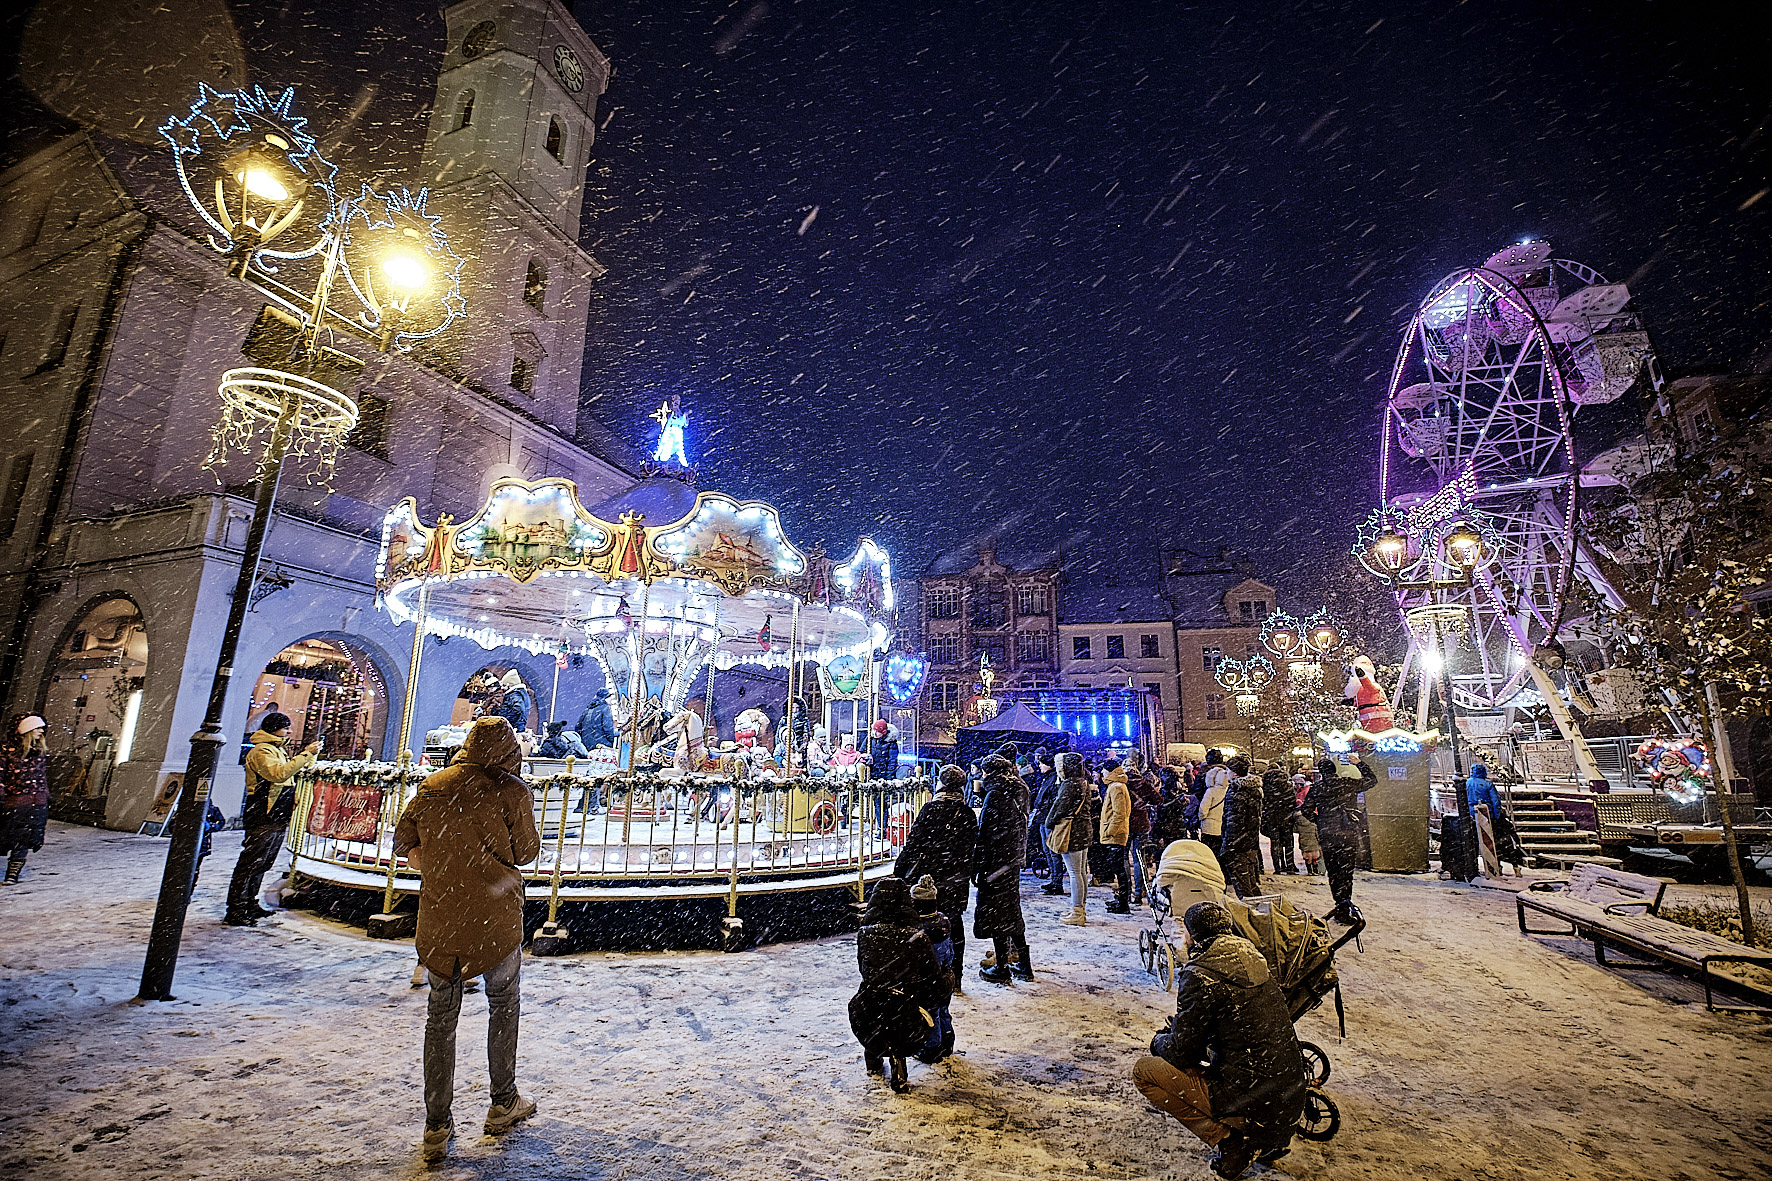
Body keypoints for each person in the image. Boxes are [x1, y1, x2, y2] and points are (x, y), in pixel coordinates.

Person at [393, 716, 542, 1162]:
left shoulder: (434, 785)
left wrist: (445, 857)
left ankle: (436, 1125)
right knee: (504, 1004)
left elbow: (406, 844)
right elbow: (527, 852)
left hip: (442, 917)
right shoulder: (512, 791)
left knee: (440, 1019)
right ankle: (503, 1100)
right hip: (495, 919)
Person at [1133, 902, 1306, 1179]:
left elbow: (1182, 1054)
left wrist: (1160, 1042)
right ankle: (1257, 1132)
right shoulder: (1254, 957)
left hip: (1251, 1097)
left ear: (1193, 935)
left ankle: (1231, 1141)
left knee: (1146, 1071)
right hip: (1287, 1093)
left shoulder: (1201, 973)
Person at [848, 877, 945, 1092]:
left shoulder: (865, 933)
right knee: (902, 1015)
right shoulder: (916, 937)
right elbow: (932, 977)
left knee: (874, 1008)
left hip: (872, 1004)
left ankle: (872, 1057)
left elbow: (864, 969)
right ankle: (899, 1061)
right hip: (907, 1006)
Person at [224, 712, 319, 926]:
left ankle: (249, 902)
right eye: (285, 727)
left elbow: (284, 779)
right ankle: (236, 908)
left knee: (263, 862)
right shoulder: (262, 751)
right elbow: (279, 774)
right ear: (273, 728)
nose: (289, 731)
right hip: (263, 813)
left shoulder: (278, 749)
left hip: (276, 814)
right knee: (251, 862)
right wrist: (305, 754)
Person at [893, 764, 977, 980]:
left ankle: (927, 973)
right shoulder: (967, 813)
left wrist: (900, 868)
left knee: (926, 923)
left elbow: (914, 842)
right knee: (954, 923)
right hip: (956, 877)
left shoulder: (931, 809)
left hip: (930, 876)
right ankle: (954, 975)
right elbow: (971, 846)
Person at [972, 754, 1032, 984]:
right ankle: (1023, 963)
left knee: (997, 914)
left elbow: (985, 833)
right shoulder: (1019, 788)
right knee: (1011, 910)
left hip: (996, 862)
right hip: (1013, 860)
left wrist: (978, 865)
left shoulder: (996, 794)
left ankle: (1001, 966)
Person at [1310, 755, 1373, 925]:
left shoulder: (1316, 788)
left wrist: (1320, 820)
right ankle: (1344, 906)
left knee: (1334, 872)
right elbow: (1371, 780)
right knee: (1346, 873)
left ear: (1322, 773)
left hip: (1327, 835)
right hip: (1347, 833)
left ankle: (1339, 904)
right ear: (1334, 770)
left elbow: (1306, 809)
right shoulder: (1347, 783)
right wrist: (1359, 764)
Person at [909, 874, 957, 1063]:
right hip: (945, 976)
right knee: (943, 1009)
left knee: (931, 1012)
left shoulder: (922, 930)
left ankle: (932, 1048)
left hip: (929, 980)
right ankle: (948, 1041)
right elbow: (950, 951)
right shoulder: (943, 922)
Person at [1045, 753, 1096, 927]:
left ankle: (1077, 912)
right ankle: (1080, 908)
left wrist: (1049, 822)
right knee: (1080, 872)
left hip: (1072, 831)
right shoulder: (1083, 782)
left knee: (1075, 873)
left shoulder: (1070, 784)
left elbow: (1058, 808)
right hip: (1083, 829)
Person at [1, 715, 50, 884]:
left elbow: (42, 777)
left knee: (24, 839)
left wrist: (45, 797)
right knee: (7, 836)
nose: (41, 731)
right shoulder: (6, 751)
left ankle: (12, 874)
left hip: (36, 803)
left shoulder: (39, 752)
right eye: (37, 728)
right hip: (14, 803)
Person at [1219, 757, 1265, 899]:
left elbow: (1234, 823)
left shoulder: (1237, 792)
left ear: (1235, 774)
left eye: (1228, 770)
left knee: (1243, 887)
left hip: (1238, 846)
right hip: (1249, 842)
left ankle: (1253, 915)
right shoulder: (1252, 789)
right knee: (1250, 883)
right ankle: (1260, 911)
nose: (1226, 773)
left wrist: (1228, 847)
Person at [1465, 762, 1523, 875]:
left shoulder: (1467, 783)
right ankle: (1512, 865)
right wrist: (1496, 816)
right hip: (1488, 815)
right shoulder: (1488, 784)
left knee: (1476, 842)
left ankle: (1483, 866)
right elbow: (1496, 801)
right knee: (1499, 842)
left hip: (1473, 815)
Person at [1100, 759, 1133, 914]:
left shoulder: (1116, 787)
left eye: (1104, 770)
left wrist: (1110, 831)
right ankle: (1121, 900)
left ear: (1110, 771)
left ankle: (1123, 903)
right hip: (1117, 833)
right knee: (1119, 869)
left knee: (1119, 869)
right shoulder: (1116, 786)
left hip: (1116, 834)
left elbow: (1119, 813)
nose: (1102, 773)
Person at [1260, 766, 1299, 875]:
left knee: (1275, 843)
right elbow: (1293, 802)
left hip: (1272, 819)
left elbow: (1264, 803)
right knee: (1288, 843)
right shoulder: (1288, 787)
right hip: (1286, 818)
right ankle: (1290, 866)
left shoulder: (1266, 787)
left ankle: (1277, 867)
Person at [1198, 749, 1231, 856]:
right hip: (1222, 823)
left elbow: (1203, 808)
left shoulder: (1210, 790)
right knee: (1219, 849)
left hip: (1209, 825)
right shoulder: (1228, 789)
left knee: (1207, 850)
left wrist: (1201, 817)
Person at [1291, 774, 1323, 876]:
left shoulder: (1299, 821)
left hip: (1305, 844)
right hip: (1313, 844)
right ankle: (1316, 870)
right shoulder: (1314, 823)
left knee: (1308, 857)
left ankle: (1310, 870)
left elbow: (1295, 829)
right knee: (1314, 856)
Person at [490, 670, 532, 734]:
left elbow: (518, 709)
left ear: (510, 685)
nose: (502, 688)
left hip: (513, 728)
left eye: (504, 685)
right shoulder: (519, 693)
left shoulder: (515, 694)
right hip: (516, 727)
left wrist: (506, 720)